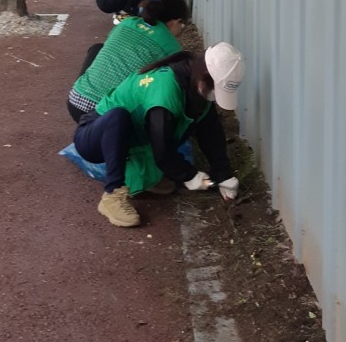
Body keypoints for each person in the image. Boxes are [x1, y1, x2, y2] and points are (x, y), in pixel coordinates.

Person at [73, 42, 245, 227]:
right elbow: (162, 149)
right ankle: (112, 194)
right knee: (118, 116)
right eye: (215, 90)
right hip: (94, 139)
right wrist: (188, 175)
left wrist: (223, 174)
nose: (214, 97)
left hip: (132, 141)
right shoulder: (164, 91)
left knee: (170, 171)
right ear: (204, 77)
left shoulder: (195, 85)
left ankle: (147, 177)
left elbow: (210, 132)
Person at [67, 0, 190, 124]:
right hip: (106, 114)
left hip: (75, 100)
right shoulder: (171, 47)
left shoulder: (128, 22)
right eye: (182, 26)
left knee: (97, 48)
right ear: (176, 22)